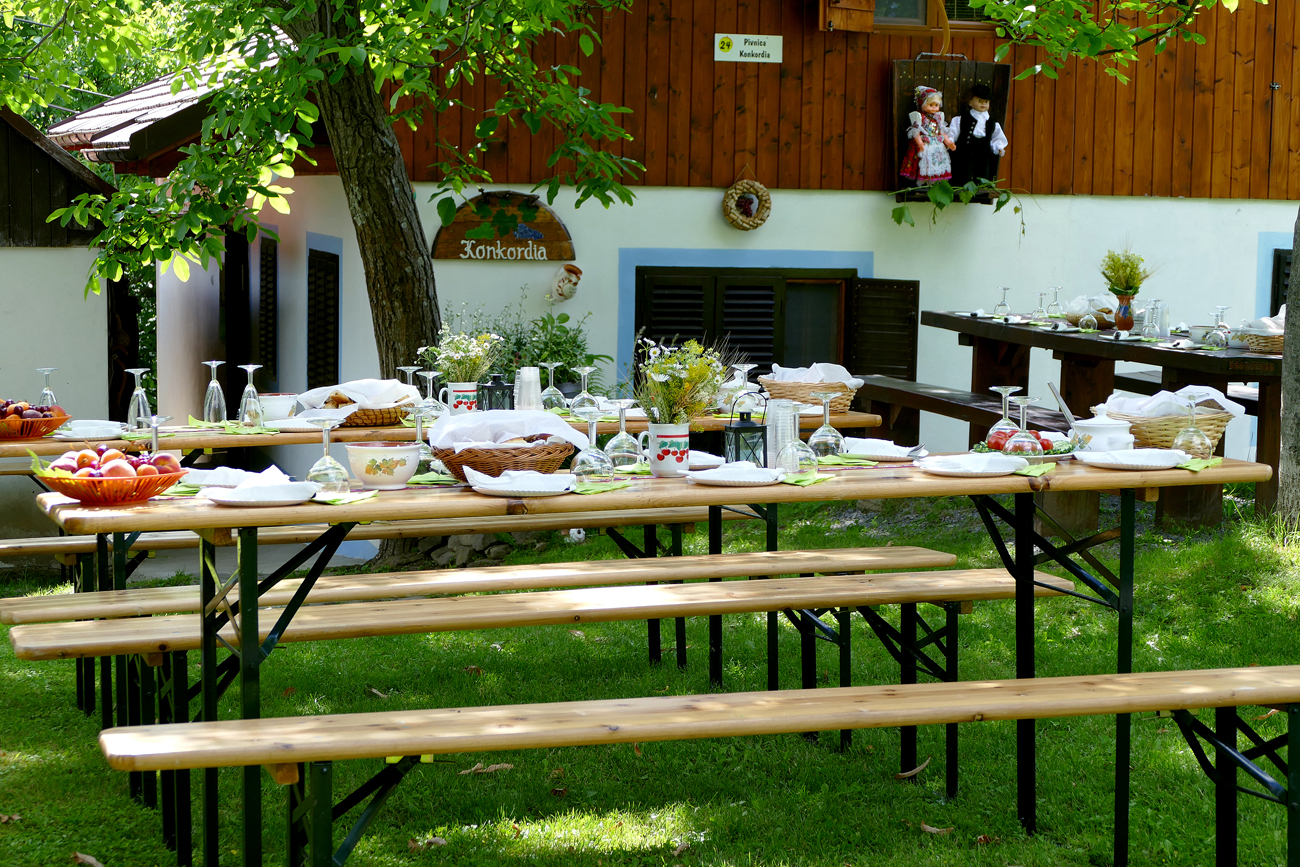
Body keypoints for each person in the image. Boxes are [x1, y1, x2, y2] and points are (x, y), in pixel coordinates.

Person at [947, 83, 1008, 186]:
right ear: (970, 102)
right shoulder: (960, 120)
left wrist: (999, 147)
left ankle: (980, 188)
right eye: (980, 101)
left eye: (986, 101)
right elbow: (952, 132)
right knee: (962, 174)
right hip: (963, 155)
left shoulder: (992, 123)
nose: (983, 104)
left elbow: (997, 138)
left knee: (981, 176)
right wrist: (950, 142)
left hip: (983, 156)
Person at [900, 85, 954, 186]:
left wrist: (948, 142)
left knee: (937, 162)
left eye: (936, 105)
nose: (934, 107)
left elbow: (941, 132)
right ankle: (923, 182)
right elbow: (916, 132)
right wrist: (920, 143)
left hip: (937, 144)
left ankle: (934, 181)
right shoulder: (920, 117)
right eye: (931, 105)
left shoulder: (938, 117)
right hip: (925, 143)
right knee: (925, 163)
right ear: (922, 104)